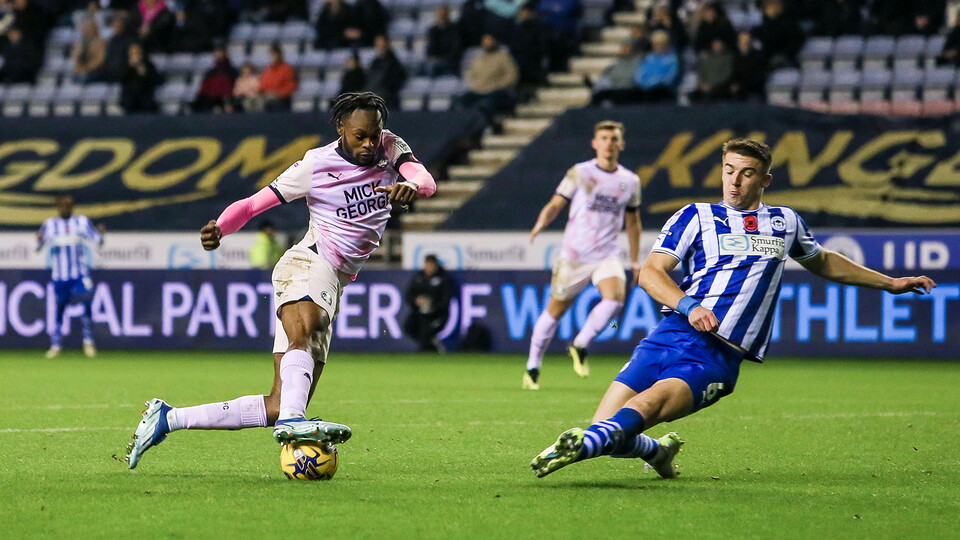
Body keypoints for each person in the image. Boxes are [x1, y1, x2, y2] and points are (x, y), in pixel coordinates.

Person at [529, 138, 937, 479]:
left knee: (641, 409)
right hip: (670, 334)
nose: (735, 182)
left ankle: (580, 448)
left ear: (765, 179)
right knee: (613, 434)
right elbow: (651, 274)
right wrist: (689, 305)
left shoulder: (785, 222)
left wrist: (890, 283)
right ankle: (655, 453)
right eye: (728, 170)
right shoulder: (696, 216)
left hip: (718, 354)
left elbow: (824, 261)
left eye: (746, 173)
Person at [124, 92, 438, 469]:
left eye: (374, 134)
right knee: (304, 333)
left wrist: (412, 187)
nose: (369, 143)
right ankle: (294, 421)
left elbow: (426, 181)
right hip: (308, 263)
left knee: (280, 403)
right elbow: (255, 204)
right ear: (341, 129)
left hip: (335, 280)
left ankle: (168, 418)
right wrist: (221, 227)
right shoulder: (315, 165)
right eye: (360, 136)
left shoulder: (390, 146)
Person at [524, 120, 642, 390]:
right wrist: (541, 222)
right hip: (574, 255)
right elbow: (556, 203)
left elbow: (633, 222)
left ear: (621, 144)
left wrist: (634, 259)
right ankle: (533, 366)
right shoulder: (580, 172)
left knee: (615, 298)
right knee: (555, 310)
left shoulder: (630, 181)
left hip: (607, 254)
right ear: (595, 143)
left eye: (614, 139)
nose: (609, 143)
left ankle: (580, 343)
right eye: (604, 138)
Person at [37, 194, 105, 359]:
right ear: (58, 206)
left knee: (87, 301)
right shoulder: (50, 224)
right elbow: (40, 246)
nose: (65, 208)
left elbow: (97, 240)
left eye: (69, 205)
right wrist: (38, 240)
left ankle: (88, 342)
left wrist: (100, 234)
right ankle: (56, 344)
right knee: (60, 308)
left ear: (73, 206)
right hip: (60, 275)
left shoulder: (81, 222)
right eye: (62, 205)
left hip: (80, 273)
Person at [403, 254, 454, 352]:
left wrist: (433, 306)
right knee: (408, 327)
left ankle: (426, 350)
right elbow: (409, 295)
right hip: (420, 313)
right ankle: (432, 345)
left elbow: (446, 300)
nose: (429, 267)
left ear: (436, 265)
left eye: (431, 265)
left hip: (437, 315)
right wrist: (416, 301)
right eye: (427, 264)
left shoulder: (443, 278)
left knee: (425, 333)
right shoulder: (419, 277)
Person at [120, 42, 161, 113]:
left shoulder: (148, 65)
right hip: (129, 101)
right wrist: (130, 67)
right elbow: (120, 79)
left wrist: (142, 72)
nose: (135, 56)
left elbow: (156, 80)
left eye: (137, 53)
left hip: (145, 99)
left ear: (141, 54)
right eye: (132, 53)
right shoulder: (124, 65)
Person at [259, 42, 297, 112]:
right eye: (271, 54)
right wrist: (267, 93)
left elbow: (291, 86)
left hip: (281, 101)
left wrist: (277, 94)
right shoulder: (267, 71)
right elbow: (262, 86)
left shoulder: (287, 69)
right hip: (267, 99)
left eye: (274, 54)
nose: (272, 57)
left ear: (279, 55)